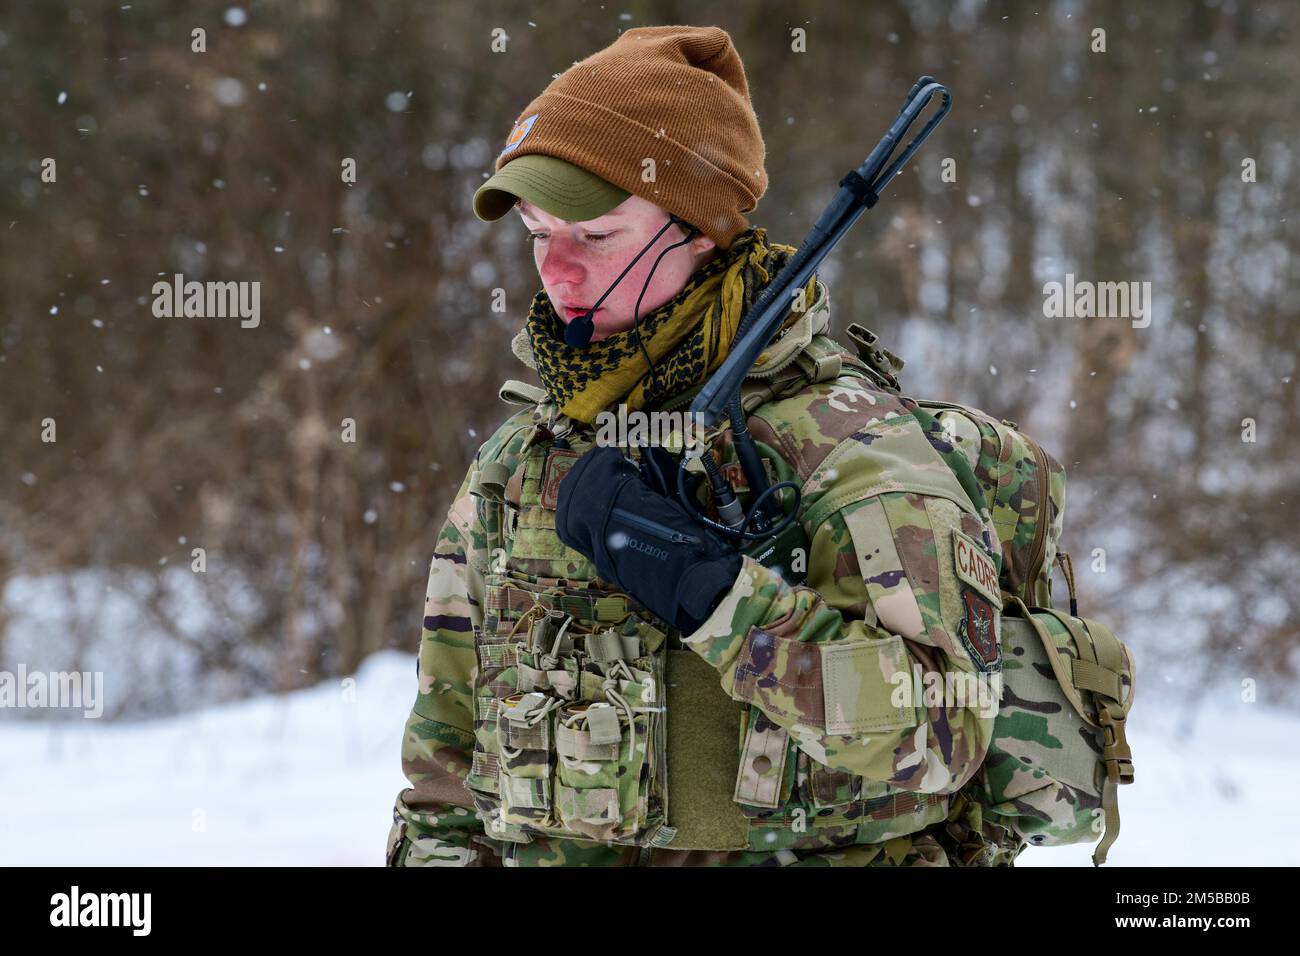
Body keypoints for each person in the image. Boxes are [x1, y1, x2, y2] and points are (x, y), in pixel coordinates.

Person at [385, 24, 1007, 867]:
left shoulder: (845, 446)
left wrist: (715, 595)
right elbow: (448, 761)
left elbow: (943, 733)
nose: (557, 272)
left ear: (703, 230)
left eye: (595, 235)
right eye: (537, 234)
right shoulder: (524, 458)